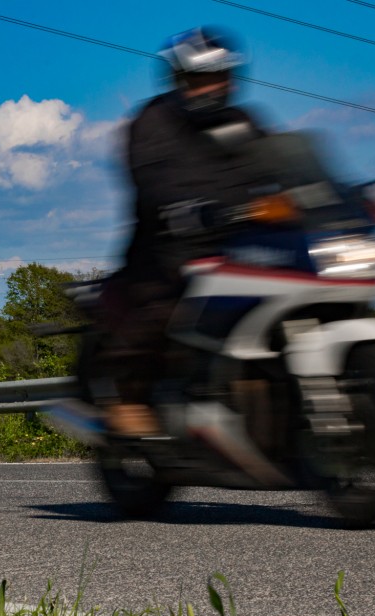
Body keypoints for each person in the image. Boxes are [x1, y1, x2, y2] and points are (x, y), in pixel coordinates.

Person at [97, 27, 271, 437]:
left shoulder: (243, 121)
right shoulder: (153, 121)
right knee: (165, 305)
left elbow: (279, 162)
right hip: (168, 250)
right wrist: (183, 209)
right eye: (200, 77)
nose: (212, 85)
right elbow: (151, 178)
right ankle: (129, 395)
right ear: (179, 79)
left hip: (239, 247)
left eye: (221, 75)